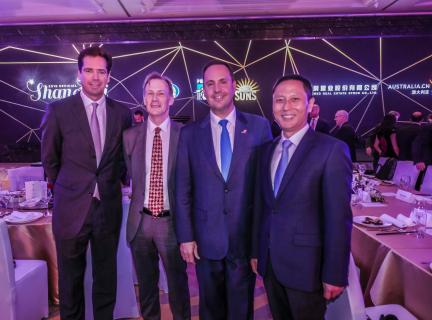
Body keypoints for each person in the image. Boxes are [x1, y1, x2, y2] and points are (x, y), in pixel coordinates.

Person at [175, 61, 272, 319]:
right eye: (209, 83)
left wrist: (262, 239)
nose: (216, 89)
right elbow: (182, 188)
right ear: (203, 90)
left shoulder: (259, 127)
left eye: (222, 82)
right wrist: (185, 237)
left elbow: (266, 188)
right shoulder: (189, 134)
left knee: (242, 310)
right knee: (210, 310)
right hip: (206, 240)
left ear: (233, 85)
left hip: (244, 238)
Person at [41, 46, 131, 320]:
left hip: (108, 209)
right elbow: (50, 160)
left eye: (101, 71)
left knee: (106, 278)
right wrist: (69, 190)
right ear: (79, 73)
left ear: (109, 76)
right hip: (70, 211)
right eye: (89, 70)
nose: (95, 77)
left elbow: (122, 162)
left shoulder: (122, 113)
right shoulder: (58, 110)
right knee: (70, 281)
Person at [251, 74, 352, 320]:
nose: (286, 107)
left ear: (310, 104)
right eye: (279, 100)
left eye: (295, 99)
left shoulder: (331, 150)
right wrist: (256, 251)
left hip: (309, 269)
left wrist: (335, 273)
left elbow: (338, 219)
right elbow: (262, 208)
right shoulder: (266, 151)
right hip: (271, 264)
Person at [123, 72, 191, 320]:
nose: (155, 98)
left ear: (171, 99)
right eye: (150, 93)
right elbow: (129, 175)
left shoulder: (185, 135)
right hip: (140, 223)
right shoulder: (130, 137)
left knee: (178, 286)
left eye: (161, 93)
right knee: (147, 286)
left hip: (172, 224)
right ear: (143, 98)